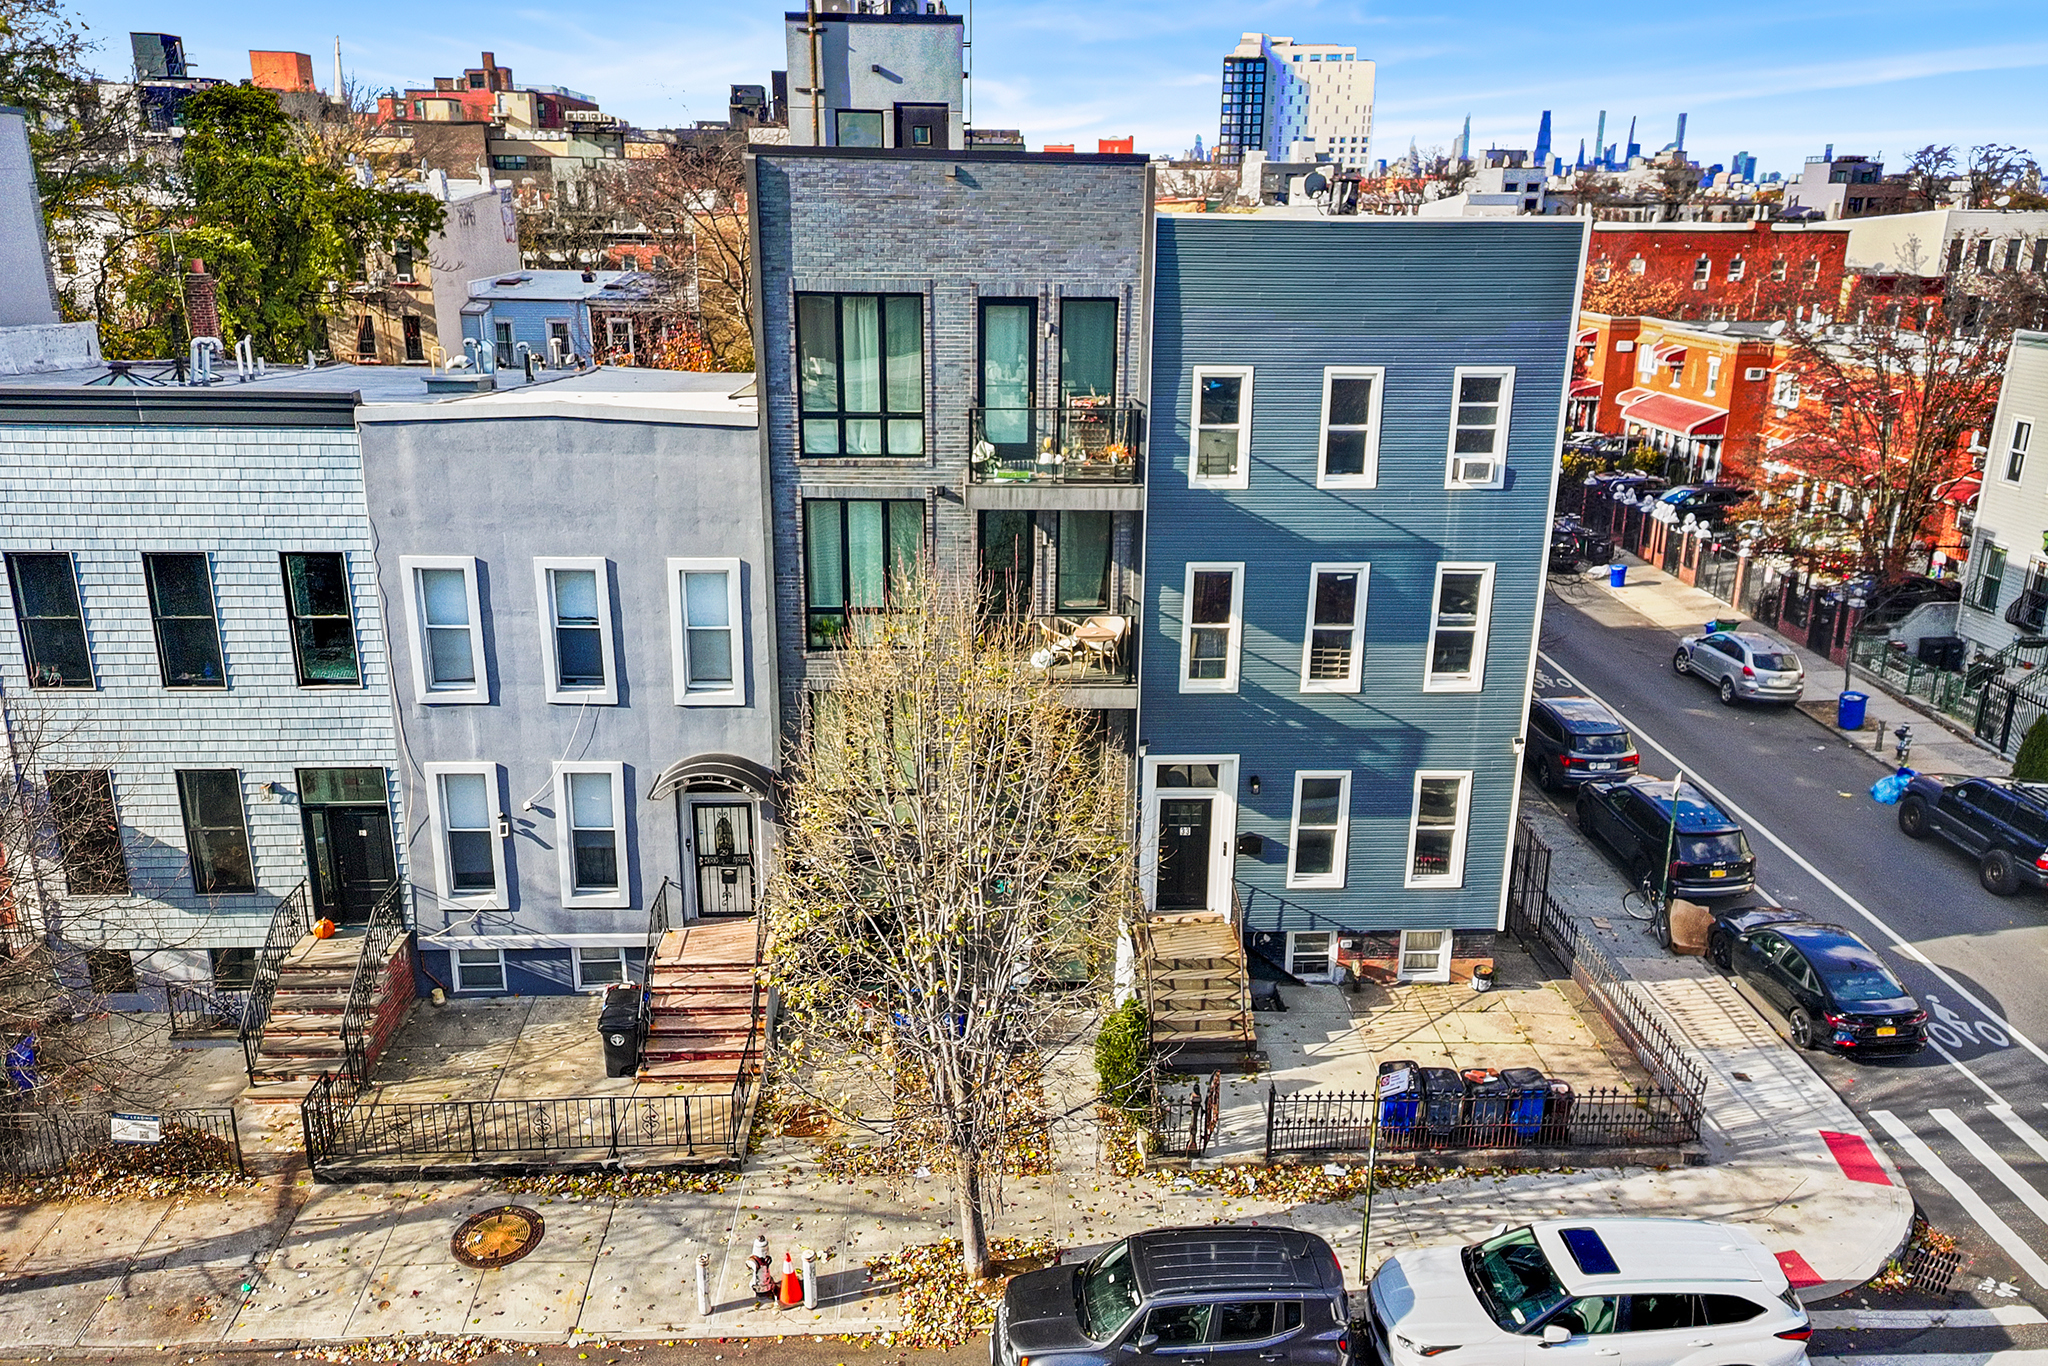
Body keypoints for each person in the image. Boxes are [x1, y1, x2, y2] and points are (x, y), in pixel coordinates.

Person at [749, 1236, 774, 1305]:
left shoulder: (756, 1261)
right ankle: (763, 1296)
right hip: (760, 1284)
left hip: (763, 1282)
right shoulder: (755, 1262)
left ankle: (765, 1295)